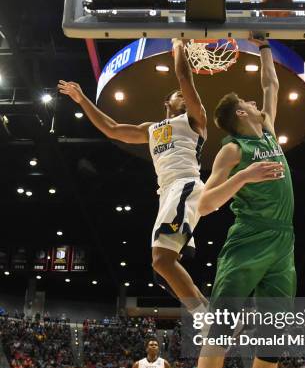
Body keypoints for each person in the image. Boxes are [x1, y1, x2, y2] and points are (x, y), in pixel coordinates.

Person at [178, 35, 299, 368]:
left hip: (282, 245)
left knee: (273, 344)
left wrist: (265, 44)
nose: (258, 101)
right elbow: (206, 203)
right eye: (250, 102)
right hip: (248, 239)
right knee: (221, 330)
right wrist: (245, 176)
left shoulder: (266, 131)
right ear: (242, 115)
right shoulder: (234, 149)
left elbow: (271, 85)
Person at [58, 40, 208, 317]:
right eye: (177, 95)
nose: (184, 96)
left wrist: (178, 47)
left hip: (184, 185)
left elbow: (185, 77)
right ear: (166, 103)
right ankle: (209, 314)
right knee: (162, 272)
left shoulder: (195, 120)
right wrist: (82, 100)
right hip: (167, 194)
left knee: (162, 261)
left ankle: (208, 318)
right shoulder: (151, 129)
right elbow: (112, 128)